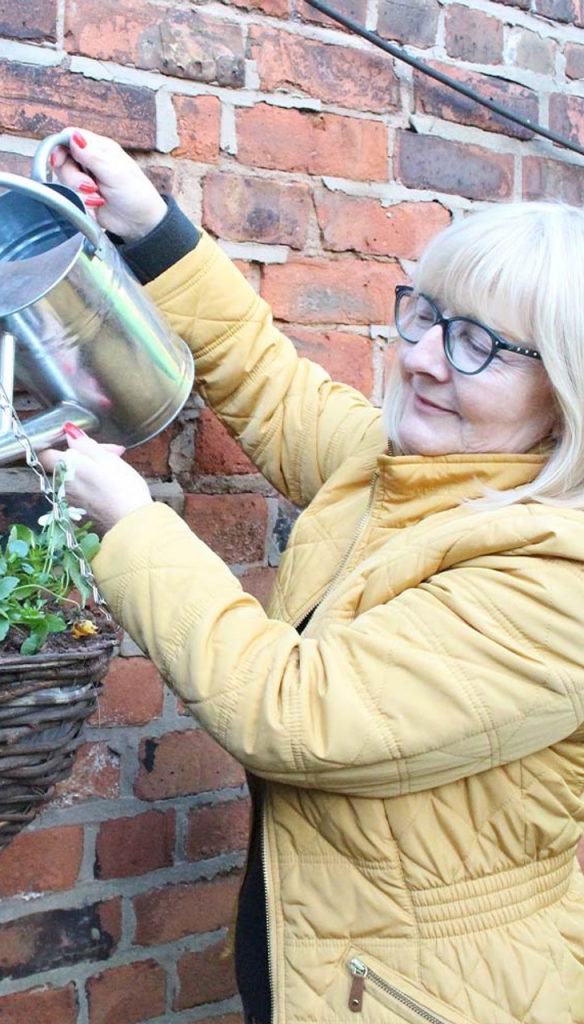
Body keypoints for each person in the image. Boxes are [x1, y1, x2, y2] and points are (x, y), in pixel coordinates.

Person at [39, 128, 584, 1024]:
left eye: (478, 345)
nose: (422, 358)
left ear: (564, 396)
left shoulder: (555, 581)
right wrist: (152, 227)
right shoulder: (409, 472)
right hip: (329, 967)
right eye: (427, 314)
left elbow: (294, 712)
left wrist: (135, 524)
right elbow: (276, 388)